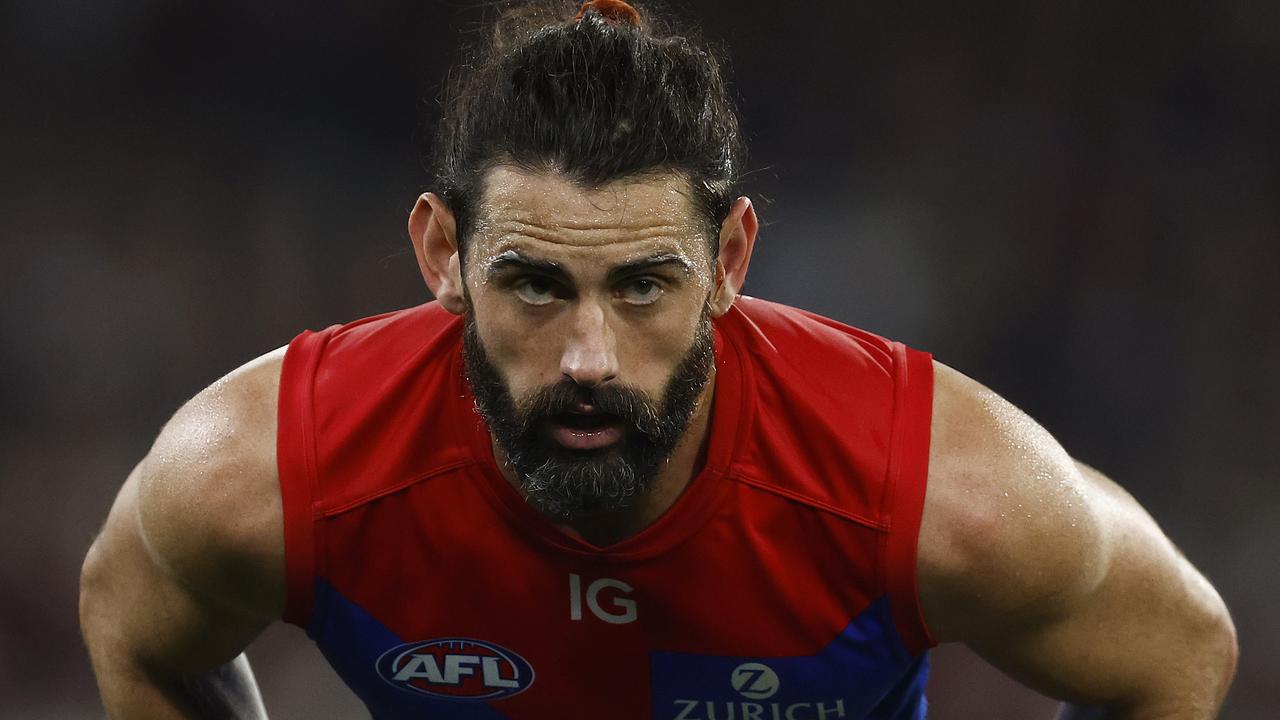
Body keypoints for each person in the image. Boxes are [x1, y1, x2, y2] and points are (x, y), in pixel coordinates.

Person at [79, 1, 1237, 718]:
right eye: (533, 284)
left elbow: (1178, 649)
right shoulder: (262, 477)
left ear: (730, 259)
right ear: (440, 252)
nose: (589, 357)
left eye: (642, 286)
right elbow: (129, 625)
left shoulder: (939, 491)